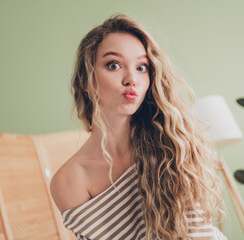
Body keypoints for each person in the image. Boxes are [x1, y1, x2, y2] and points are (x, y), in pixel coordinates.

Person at [50, 14, 227, 240]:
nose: (131, 79)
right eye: (114, 65)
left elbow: (201, 234)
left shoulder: (176, 144)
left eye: (142, 67)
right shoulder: (70, 180)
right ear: (86, 80)